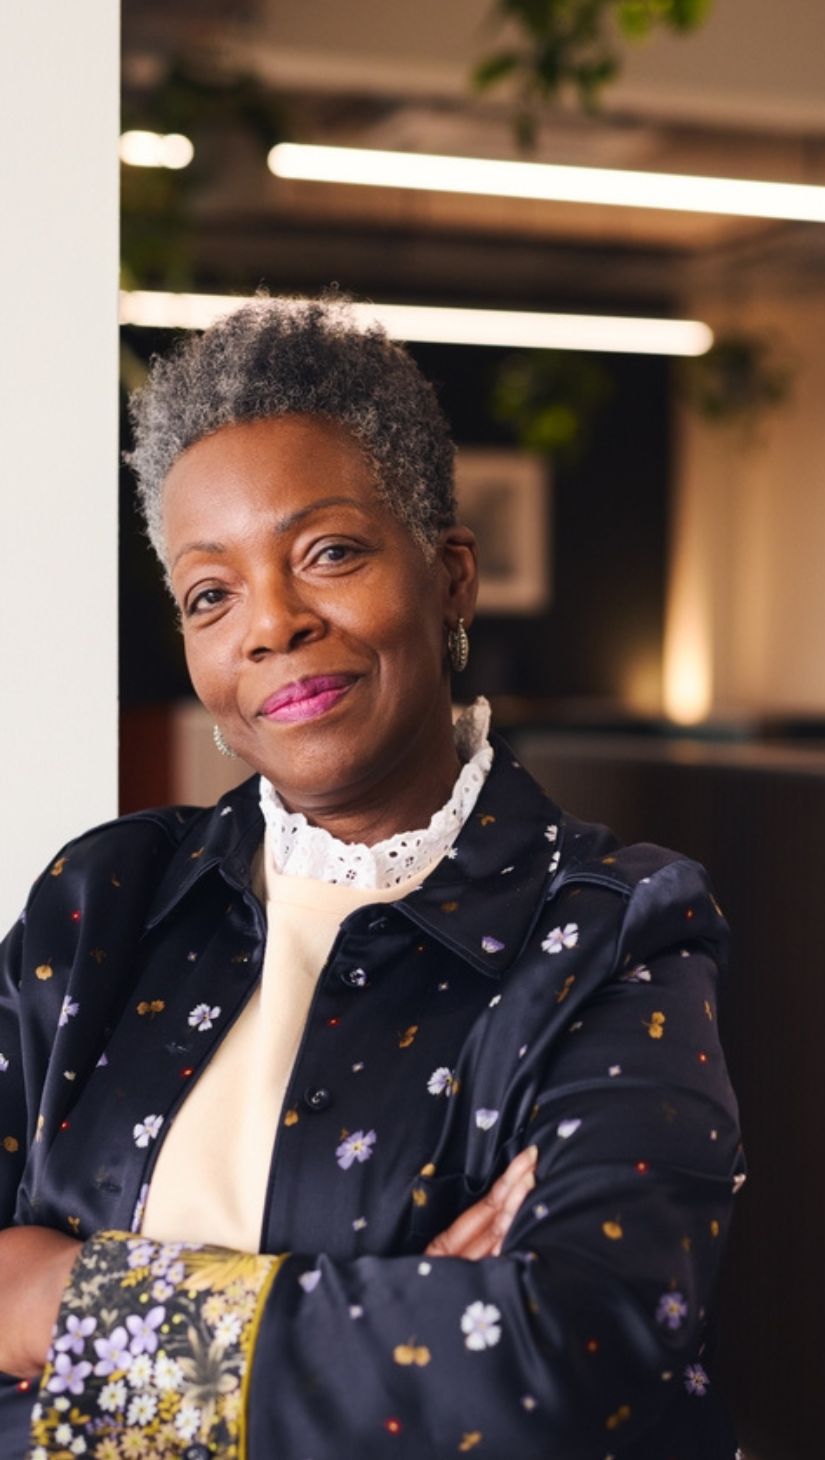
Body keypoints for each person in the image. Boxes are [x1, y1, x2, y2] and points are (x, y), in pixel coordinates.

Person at [0, 295, 744, 1460]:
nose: (273, 624)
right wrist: (390, 1329)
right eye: (212, 593)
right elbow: (451, 1388)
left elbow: (564, 1366)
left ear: (449, 575)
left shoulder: (610, 929)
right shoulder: (105, 902)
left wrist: (55, 1304)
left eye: (328, 553)